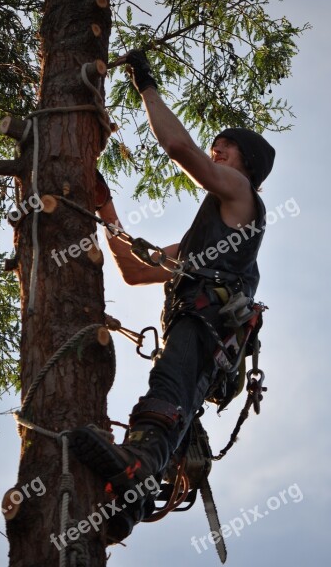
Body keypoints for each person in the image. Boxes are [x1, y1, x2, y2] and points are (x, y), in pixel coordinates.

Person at [69, 50, 275, 543]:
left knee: (167, 391)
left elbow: (181, 148)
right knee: (170, 392)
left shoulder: (243, 197)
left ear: (246, 164)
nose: (216, 154)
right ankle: (130, 494)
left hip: (206, 328)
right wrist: (107, 207)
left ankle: (138, 466)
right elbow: (137, 271)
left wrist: (147, 85)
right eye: (216, 148)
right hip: (196, 326)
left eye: (224, 149)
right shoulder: (205, 238)